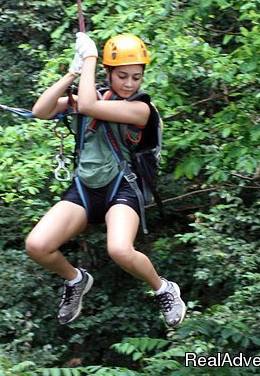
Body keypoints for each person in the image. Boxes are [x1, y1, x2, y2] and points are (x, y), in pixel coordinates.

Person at [26, 32, 186, 328]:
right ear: (109, 74)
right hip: (86, 187)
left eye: (136, 77)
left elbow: (87, 106)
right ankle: (76, 280)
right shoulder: (94, 97)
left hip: (122, 187)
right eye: (122, 76)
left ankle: (164, 289)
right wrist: (73, 71)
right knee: (37, 245)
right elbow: (41, 111)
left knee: (119, 250)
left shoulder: (141, 109)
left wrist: (90, 57)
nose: (129, 84)